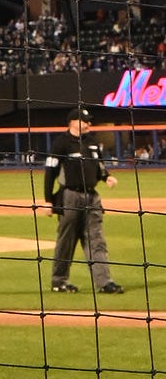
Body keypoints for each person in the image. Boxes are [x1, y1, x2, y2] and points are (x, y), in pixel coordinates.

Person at [44, 113, 124, 294]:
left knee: (96, 240)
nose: (89, 123)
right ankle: (59, 281)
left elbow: (99, 167)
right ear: (72, 122)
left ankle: (104, 282)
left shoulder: (92, 142)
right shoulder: (61, 143)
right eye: (84, 120)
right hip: (69, 197)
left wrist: (107, 177)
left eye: (89, 120)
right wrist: (48, 201)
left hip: (92, 197)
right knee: (67, 241)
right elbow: (50, 173)